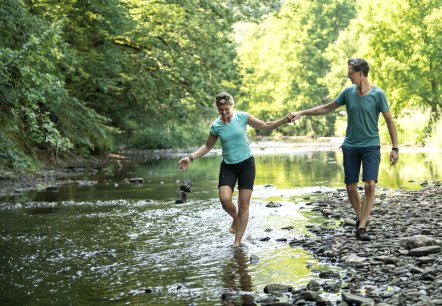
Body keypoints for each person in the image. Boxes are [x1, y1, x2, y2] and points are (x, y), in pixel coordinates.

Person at [289, 58, 399, 241]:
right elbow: (326, 108)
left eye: (350, 71)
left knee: (370, 184)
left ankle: (362, 226)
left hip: (371, 145)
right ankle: (361, 217)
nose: (348, 74)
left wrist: (395, 148)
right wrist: (301, 112)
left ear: (360, 73)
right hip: (350, 146)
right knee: (350, 187)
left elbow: (389, 121)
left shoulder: (378, 94)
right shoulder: (348, 93)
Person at [178, 92, 291, 247]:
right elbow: (208, 146)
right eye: (221, 110)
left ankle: (237, 243)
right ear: (217, 109)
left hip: (247, 165)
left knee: (244, 204)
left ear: (231, 106)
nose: (224, 113)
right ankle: (236, 218)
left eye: (226, 109)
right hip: (228, 166)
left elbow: (265, 126)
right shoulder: (216, 125)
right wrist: (189, 158)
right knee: (224, 199)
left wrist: (284, 120)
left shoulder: (243, 117)